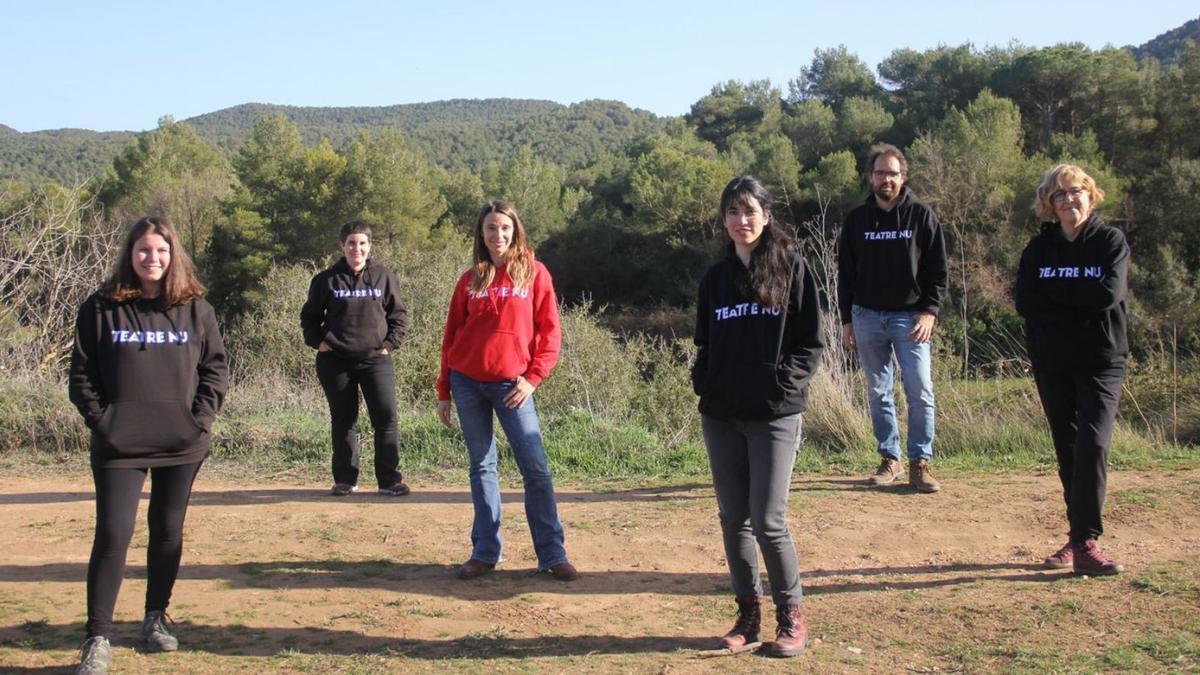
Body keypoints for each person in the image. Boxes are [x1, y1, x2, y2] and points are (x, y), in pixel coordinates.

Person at [68, 216, 228, 674]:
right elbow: (82, 374)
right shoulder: (101, 307)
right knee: (113, 534)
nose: (151, 259)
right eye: (143, 250)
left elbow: (215, 369)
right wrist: (104, 422)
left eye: (160, 251)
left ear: (173, 254)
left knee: (167, 532)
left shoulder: (196, 308)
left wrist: (197, 419)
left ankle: (155, 618)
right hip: (119, 445)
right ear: (129, 255)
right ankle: (97, 637)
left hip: (181, 443)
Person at [693, 176, 824, 657]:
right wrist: (705, 381)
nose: (741, 220)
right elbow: (703, 343)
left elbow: (810, 344)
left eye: (749, 211)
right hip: (722, 415)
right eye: (732, 212)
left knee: (768, 520)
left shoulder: (792, 269)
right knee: (734, 519)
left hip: (774, 415)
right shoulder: (714, 279)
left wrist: (782, 386)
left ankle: (792, 618)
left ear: (767, 216)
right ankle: (748, 617)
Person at [436, 200, 576, 582]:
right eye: (490, 229)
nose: (497, 235)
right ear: (481, 234)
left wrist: (532, 379)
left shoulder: (534, 274)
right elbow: (451, 336)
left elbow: (550, 333)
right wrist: (444, 388)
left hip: (513, 385)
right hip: (467, 383)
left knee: (536, 469)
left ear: (515, 231)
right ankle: (484, 553)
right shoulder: (469, 280)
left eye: (504, 228)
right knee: (482, 466)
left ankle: (552, 554)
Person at [1016, 164, 1129, 575]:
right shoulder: (1038, 249)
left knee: (1093, 445)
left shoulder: (1110, 242)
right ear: (1049, 203)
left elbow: (1105, 294)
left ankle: (1086, 538)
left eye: (1075, 191)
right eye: (1059, 195)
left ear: (1090, 194)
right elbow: (1025, 302)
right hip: (1053, 362)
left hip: (1102, 362)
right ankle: (1079, 538)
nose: (1068, 200)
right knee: (1068, 450)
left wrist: (1055, 300)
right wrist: (1071, 301)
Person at [838, 144, 948, 492]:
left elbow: (938, 270)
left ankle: (921, 463)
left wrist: (930, 311)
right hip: (866, 316)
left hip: (911, 318)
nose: (886, 179)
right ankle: (890, 459)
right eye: (880, 173)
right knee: (878, 392)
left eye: (892, 173)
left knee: (920, 390)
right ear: (871, 177)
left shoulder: (922, 216)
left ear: (904, 176)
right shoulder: (857, 220)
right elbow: (845, 274)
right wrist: (846, 320)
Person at [300, 221, 410, 497]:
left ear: (369, 246)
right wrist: (319, 343)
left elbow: (398, 315)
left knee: (385, 419)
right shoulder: (326, 279)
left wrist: (389, 345)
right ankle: (345, 480)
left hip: (376, 360)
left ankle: (389, 481)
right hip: (335, 362)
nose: (356, 248)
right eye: (351, 243)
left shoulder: (383, 276)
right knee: (344, 420)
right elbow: (309, 317)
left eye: (362, 243)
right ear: (342, 246)